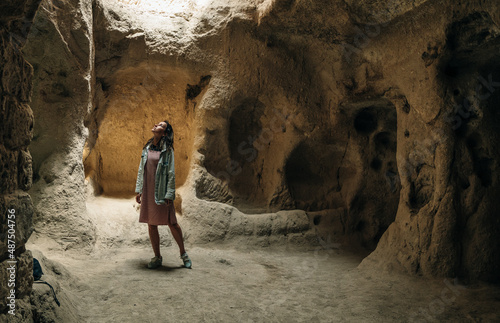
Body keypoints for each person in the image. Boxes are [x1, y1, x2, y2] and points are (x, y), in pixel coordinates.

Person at [135, 120, 192, 269]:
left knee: (172, 222)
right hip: (148, 190)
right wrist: (139, 189)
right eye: (156, 124)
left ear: (165, 133)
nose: (155, 125)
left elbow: (171, 173)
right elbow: (142, 169)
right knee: (151, 224)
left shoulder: (168, 150)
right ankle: (157, 257)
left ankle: (183, 254)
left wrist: (169, 193)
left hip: (161, 191)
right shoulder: (147, 147)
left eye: (160, 125)